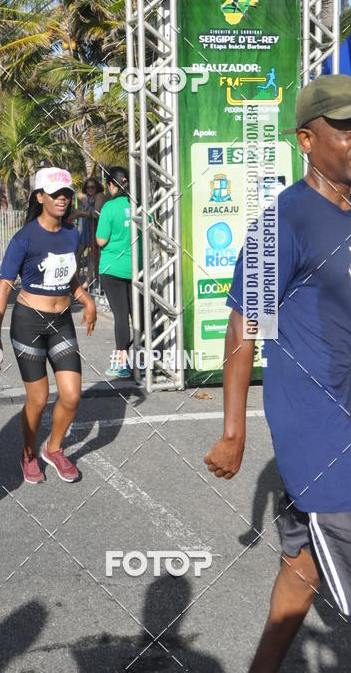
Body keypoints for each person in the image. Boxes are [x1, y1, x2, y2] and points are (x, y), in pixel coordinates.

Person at [204, 75, 351, 671]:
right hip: (322, 434)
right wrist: (233, 431)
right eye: (345, 129)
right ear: (306, 141)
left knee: (301, 568)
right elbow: (246, 326)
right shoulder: (281, 223)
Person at [0, 166, 97, 485]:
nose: (62, 198)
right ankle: (28, 453)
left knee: (72, 396)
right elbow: (4, 286)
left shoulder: (71, 234)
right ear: (40, 197)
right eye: (55, 194)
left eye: (67, 193)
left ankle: (53, 448)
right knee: (37, 400)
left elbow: (69, 276)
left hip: (61, 322)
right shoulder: (24, 238)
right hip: (29, 324)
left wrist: (86, 299)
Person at [96, 167, 139, 378]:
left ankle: (122, 363)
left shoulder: (109, 207)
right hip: (136, 268)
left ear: (112, 185)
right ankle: (142, 360)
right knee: (137, 315)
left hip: (112, 268)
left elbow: (101, 240)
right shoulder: (139, 205)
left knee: (121, 316)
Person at [72, 177, 105, 283]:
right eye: (87, 187)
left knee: (93, 256)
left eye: (92, 187)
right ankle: (76, 280)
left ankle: (93, 281)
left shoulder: (99, 195)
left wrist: (80, 212)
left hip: (95, 229)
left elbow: (96, 213)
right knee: (77, 254)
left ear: (97, 187)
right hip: (87, 228)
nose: (90, 189)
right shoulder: (88, 197)